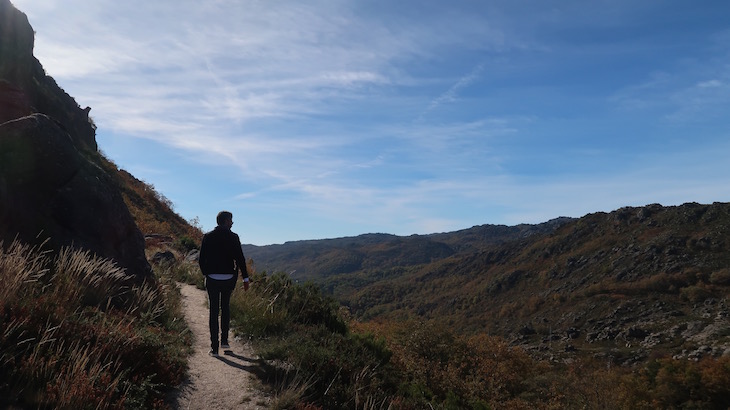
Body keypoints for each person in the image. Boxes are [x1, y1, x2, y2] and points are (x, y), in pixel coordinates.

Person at [198, 210, 250, 356]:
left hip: (212, 278)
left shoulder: (208, 237)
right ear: (226, 221)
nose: (232, 223)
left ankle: (214, 348)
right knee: (225, 308)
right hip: (228, 278)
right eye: (231, 220)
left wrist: (206, 273)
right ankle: (225, 341)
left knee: (214, 311)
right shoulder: (233, 237)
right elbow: (240, 258)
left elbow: (201, 259)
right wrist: (245, 278)